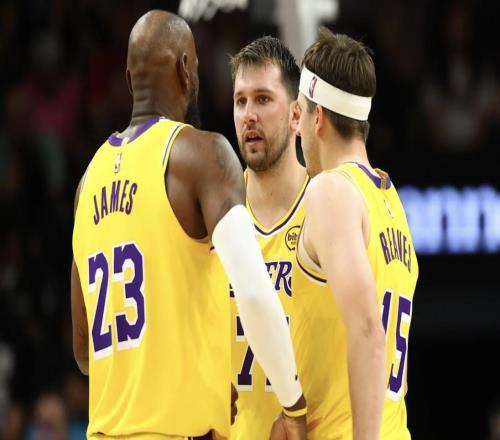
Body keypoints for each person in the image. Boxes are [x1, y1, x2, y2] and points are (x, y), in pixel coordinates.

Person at [70, 10, 306, 440]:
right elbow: (254, 292)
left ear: (129, 80)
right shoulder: (201, 155)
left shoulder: (87, 182)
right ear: (185, 70)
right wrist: (293, 405)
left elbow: (85, 352)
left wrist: (197, 377)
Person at [274, 27, 419, 439]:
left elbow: (369, 331)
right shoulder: (390, 200)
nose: (297, 128)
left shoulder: (331, 191)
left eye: (301, 113)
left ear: (318, 117)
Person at [229, 37, 308, 440]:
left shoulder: (330, 208)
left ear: (296, 115)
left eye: (262, 99)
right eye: (240, 101)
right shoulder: (217, 214)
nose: (249, 115)